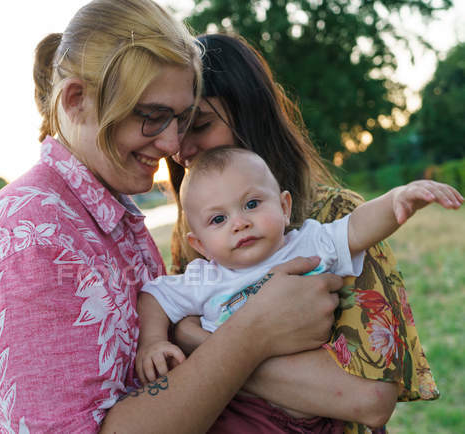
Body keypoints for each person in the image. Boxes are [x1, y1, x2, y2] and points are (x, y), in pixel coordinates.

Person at [0, 2, 345, 433]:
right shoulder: (31, 239)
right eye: (153, 116)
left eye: (180, 120)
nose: (172, 144)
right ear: (76, 100)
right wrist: (251, 334)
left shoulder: (106, 209)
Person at [166, 33, 441, 433]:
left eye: (201, 125)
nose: (179, 148)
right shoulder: (193, 241)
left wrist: (199, 342)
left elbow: (370, 399)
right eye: (175, 130)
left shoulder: (335, 216)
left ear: (249, 114)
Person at [138, 146, 462, 429]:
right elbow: (155, 296)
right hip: (239, 413)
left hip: (318, 413)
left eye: (252, 204)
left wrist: (397, 200)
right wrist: (152, 342)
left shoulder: (307, 243)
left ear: (284, 207)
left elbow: (357, 228)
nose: (240, 222)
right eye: (218, 220)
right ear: (200, 244)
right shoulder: (205, 277)